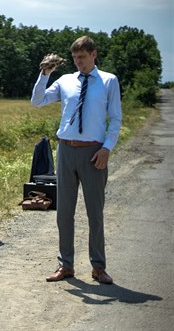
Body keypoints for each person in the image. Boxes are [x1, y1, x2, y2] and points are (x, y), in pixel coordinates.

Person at [32, 36, 122, 284]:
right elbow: (37, 101)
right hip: (66, 150)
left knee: (95, 213)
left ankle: (98, 267)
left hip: (94, 152)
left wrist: (107, 148)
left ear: (93, 54)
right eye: (74, 58)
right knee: (64, 213)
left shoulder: (108, 81)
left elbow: (115, 119)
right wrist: (44, 73)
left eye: (82, 57)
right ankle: (66, 265)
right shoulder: (66, 81)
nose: (78, 62)